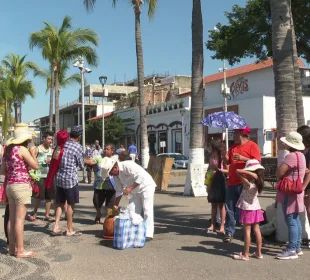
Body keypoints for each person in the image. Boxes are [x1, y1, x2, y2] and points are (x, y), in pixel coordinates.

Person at [0, 123, 39, 258]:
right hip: (21, 186)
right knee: (20, 220)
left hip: (10, 186)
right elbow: (36, 166)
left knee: (11, 218)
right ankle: (20, 250)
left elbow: (3, 171)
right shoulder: (22, 150)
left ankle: (11, 248)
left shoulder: (8, 150)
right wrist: (33, 155)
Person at [101, 156, 156, 241]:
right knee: (132, 211)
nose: (111, 175)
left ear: (115, 168)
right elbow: (119, 190)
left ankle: (149, 233)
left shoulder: (128, 165)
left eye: (110, 172)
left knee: (147, 209)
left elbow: (140, 176)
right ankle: (136, 230)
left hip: (146, 186)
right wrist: (116, 205)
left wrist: (130, 188)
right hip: (134, 191)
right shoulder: (116, 176)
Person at [223, 126, 261, 243]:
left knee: (245, 209)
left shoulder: (252, 145)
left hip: (245, 182)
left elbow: (257, 162)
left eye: (235, 132)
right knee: (229, 207)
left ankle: (246, 233)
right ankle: (229, 232)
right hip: (232, 181)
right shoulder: (233, 147)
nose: (233, 135)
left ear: (241, 134)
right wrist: (224, 154)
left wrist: (243, 158)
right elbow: (228, 161)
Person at [275, 132, 306, 260]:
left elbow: (280, 172)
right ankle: (297, 247)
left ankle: (292, 249)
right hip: (297, 191)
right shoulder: (301, 155)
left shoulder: (291, 156)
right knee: (295, 219)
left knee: (291, 220)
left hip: (289, 191)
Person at [52, 126, 84, 236]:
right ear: (79, 137)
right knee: (70, 204)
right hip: (70, 180)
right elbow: (81, 164)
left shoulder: (60, 144)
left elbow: (55, 159)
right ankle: (69, 229)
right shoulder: (78, 147)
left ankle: (56, 227)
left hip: (59, 179)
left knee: (60, 203)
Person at [232, 159, 265, 261]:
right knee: (257, 230)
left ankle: (245, 254)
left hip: (247, 209)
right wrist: (251, 173)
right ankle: (258, 253)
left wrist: (248, 172)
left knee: (247, 232)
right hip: (256, 208)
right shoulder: (258, 183)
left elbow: (237, 171)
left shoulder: (248, 183)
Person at [84, 143, 116, 224]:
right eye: (105, 149)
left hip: (111, 185)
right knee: (97, 201)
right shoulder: (98, 158)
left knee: (110, 203)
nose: (105, 150)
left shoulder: (115, 159)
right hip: (99, 185)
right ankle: (98, 214)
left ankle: (108, 220)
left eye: (108, 149)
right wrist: (84, 159)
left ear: (112, 151)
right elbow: (91, 162)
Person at [29, 131, 54, 222]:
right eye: (49, 139)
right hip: (40, 176)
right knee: (39, 196)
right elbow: (32, 161)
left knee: (49, 196)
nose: (50, 140)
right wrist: (43, 161)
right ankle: (34, 212)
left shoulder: (52, 150)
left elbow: (55, 161)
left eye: (51, 139)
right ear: (44, 138)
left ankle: (46, 215)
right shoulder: (37, 149)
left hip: (49, 176)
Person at [206, 139, 228, 233]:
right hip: (212, 180)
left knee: (221, 205)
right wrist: (207, 182)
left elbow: (229, 170)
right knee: (213, 204)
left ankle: (222, 226)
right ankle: (212, 224)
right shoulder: (211, 156)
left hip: (221, 180)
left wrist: (219, 169)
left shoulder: (223, 158)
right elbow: (209, 167)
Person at [297, 125, 310, 224]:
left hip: (307, 185)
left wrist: (303, 187)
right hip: (306, 185)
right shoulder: (304, 151)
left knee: (309, 209)